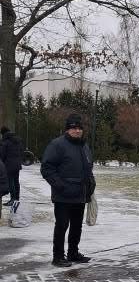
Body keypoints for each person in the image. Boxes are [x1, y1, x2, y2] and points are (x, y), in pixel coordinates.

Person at [40, 114, 96, 267]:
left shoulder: (84, 146)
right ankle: (58, 256)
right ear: (67, 129)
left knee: (77, 226)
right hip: (63, 196)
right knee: (62, 225)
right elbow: (47, 168)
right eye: (73, 128)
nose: (77, 131)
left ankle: (73, 253)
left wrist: (91, 183)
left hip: (80, 194)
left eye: (79, 128)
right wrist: (61, 186)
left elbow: (88, 168)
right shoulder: (57, 145)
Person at [0, 126, 23, 203]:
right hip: (17, 164)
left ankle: (12, 199)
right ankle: (17, 198)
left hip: (9, 165)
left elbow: (2, 154)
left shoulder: (5, 142)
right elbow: (21, 151)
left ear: (3, 133)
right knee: (16, 181)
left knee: (10, 182)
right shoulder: (17, 140)